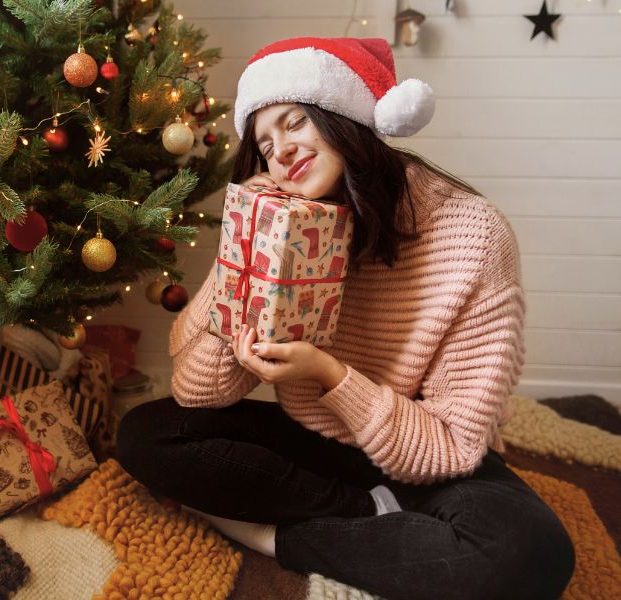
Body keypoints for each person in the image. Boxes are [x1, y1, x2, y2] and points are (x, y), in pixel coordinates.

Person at [116, 37, 574, 600]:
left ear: (344, 116)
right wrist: (244, 244)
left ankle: (273, 538)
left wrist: (327, 374)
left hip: (429, 458)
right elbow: (198, 393)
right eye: (264, 144)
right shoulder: (284, 221)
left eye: (296, 122)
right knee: (145, 433)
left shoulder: (472, 237)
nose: (280, 151)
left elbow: (451, 448)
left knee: (531, 555)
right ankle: (366, 517)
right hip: (323, 454)